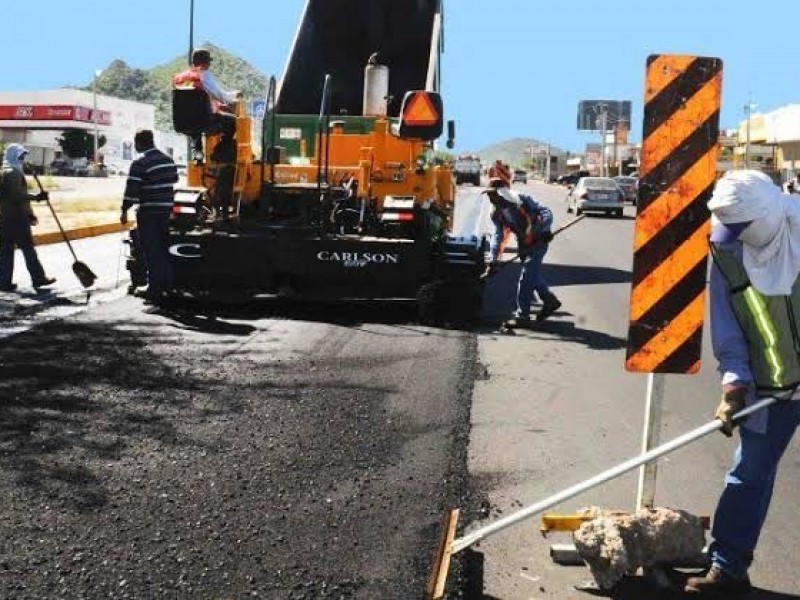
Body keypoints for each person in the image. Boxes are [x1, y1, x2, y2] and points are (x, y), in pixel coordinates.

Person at [684, 170, 800, 596]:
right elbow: (728, 322)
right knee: (748, 471)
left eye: (742, 226)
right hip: (770, 388)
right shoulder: (727, 246)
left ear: (768, 215)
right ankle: (728, 566)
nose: (735, 235)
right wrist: (734, 382)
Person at [484, 163, 561, 328]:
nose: (490, 198)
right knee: (532, 275)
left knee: (526, 278)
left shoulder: (520, 200)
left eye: (492, 194)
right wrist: (493, 258)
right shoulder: (496, 213)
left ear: (501, 193)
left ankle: (522, 316)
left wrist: (546, 230)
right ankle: (550, 300)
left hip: (539, 239)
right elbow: (498, 234)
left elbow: (546, 211)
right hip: (524, 243)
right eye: (489, 195)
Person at [120, 130, 179, 300]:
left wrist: (124, 210)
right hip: (166, 211)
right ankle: (168, 285)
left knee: (151, 250)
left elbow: (131, 190)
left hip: (149, 212)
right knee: (164, 249)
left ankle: (154, 288)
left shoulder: (140, 163)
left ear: (139, 143)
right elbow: (174, 179)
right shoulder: (168, 160)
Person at [0, 144, 56, 292]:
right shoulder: (13, 173)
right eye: (20, 156)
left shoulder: (5, 171)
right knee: (27, 248)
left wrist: (30, 213)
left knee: (6, 249)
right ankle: (38, 278)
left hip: (5, 217)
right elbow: (17, 196)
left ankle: (4, 281)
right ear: (13, 156)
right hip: (17, 218)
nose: (23, 159)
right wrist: (37, 197)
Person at [172, 48, 241, 163]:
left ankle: (198, 153)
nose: (209, 64)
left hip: (182, 123)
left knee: (195, 127)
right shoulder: (203, 75)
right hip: (204, 120)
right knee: (234, 122)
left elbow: (195, 100)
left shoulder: (180, 78)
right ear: (205, 62)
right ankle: (219, 152)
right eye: (209, 62)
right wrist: (233, 97)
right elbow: (220, 95)